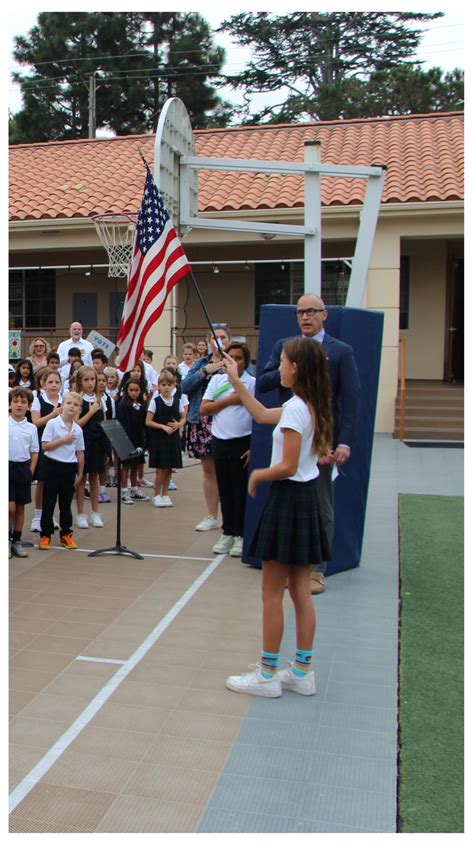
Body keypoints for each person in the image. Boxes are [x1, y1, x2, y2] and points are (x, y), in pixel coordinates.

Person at [222, 338, 333, 697]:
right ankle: (302, 670)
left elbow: (286, 466)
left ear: (296, 368)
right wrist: (237, 381)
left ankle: (268, 674)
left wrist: (257, 474)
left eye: (283, 362)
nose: (279, 368)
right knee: (300, 590)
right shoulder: (305, 404)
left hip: (288, 500)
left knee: (271, 591)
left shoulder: (298, 410)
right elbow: (260, 414)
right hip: (305, 500)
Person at [257, 293, 360, 594]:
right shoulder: (284, 348)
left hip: (322, 442)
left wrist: (345, 442)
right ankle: (289, 562)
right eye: (300, 312)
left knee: (322, 505)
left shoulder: (340, 352)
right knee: (288, 503)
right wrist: (287, 371)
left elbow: (351, 401)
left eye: (311, 311)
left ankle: (316, 570)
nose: (305, 317)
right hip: (291, 435)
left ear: (324, 314)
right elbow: (263, 382)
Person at [200, 342, 255, 558]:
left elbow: (257, 414)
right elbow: (204, 408)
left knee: (239, 490)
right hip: (220, 441)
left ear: (246, 362)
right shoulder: (217, 380)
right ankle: (228, 532)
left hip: (242, 442)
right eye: (229, 357)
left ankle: (241, 534)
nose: (234, 361)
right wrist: (231, 400)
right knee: (225, 490)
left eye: (239, 358)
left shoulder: (252, 383)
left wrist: (253, 447)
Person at [181, 326, 232, 532]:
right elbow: (184, 387)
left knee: (228, 471)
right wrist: (204, 372)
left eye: (223, 337)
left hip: (227, 421)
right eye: (215, 337)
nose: (218, 341)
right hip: (202, 421)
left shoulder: (235, 360)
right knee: (209, 470)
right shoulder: (201, 363)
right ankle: (212, 514)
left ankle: (231, 518)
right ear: (209, 341)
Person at [38, 391, 85, 550]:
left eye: (76, 405)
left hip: (68, 468)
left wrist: (80, 472)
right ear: (62, 405)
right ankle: (45, 535)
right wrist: (63, 440)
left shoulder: (78, 430)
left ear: (80, 410)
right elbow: (45, 446)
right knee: (49, 501)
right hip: (52, 465)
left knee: (65, 504)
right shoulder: (52, 424)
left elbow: (80, 452)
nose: (72, 407)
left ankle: (66, 534)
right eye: (69, 403)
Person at [75, 365, 110, 528]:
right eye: (86, 380)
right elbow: (77, 424)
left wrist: (106, 448)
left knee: (95, 477)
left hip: (97, 443)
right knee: (81, 479)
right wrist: (89, 412)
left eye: (92, 379)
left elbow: (104, 423)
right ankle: (81, 514)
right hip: (83, 444)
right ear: (80, 382)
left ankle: (96, 513)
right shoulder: (78, 399)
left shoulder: (100, 400)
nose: (90, 383)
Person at [146, 369, 186, 507]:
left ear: (174, 385)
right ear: (159, 386)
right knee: (161, 468)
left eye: (169, 384)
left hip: (172, 438)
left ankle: (165, 493)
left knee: (169, 468)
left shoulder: (177, 401)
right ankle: (157, 494)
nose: (166, 387)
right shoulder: (155, 401)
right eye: (163, 384)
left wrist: (179, 424)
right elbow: (148, 421)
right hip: (160, 438)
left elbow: (183, 417)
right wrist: (163, 427)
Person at [30, 368, 63, 532]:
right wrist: (54, 413)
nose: (54, 385)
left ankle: (49, 515)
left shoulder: (64, 400)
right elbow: (36, 422)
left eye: (57, 382)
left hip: (61, 446)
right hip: (43, 444)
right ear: (43, 384)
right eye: (50, 382)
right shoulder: (38, 400)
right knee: (42, 481)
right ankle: (37, 516)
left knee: (54, 483)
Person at [9, 387, 40, 558]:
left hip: (22, 469)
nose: (19, 405)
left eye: (23, 402)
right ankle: (5, 540)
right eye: (15, 401)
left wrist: (31, 470)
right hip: (7, 468)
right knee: (9, 508)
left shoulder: (31, 428)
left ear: (28, 406)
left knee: (20, 508)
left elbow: (35, 451)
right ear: (9, 405)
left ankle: (16, 541)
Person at [116, 377, 149, 504]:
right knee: (126, 466)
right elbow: (123, 424)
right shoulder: (123, 406)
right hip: (127, 440)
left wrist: (145, 441)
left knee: (136, 464)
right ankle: (125, 491)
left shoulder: (142, 406)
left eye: (136, 390)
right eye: (131, 390)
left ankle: (135, 489)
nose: (134, 393)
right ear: (126, 390)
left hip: (138, 439)